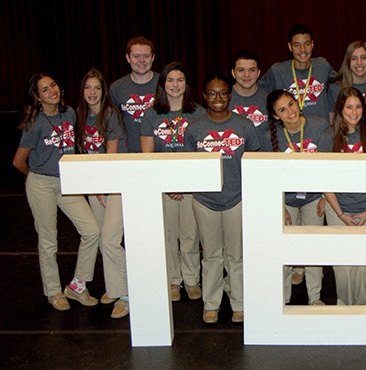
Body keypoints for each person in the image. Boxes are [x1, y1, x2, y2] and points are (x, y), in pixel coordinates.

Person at [13, 73, 101, 311]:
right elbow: (18, 161)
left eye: (53, 84)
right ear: (37, 97)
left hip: (68, 183)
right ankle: (53, 291)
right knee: (49, 240)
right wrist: (37, 175)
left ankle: (77, 285)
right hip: (41, 184)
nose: (52, 90)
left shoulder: (70, 114)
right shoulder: (35, 123)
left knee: (92, 230)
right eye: (44, 89)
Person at [185, 74, 260, 324]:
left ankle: (239, 302)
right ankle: (211, 304)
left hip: (236, 199)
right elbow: (188, 166)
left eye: (223, 93)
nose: (218, 98)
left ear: (230, 95)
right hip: (205, 201)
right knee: (212, 255)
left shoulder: (245, 126)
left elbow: (253, 164)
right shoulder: (194, 128)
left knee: (236, 255)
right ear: (204, 96)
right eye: (212, 93)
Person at [140, 62, 205, 302]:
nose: (175, 85)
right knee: (167, 235)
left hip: (189, 186)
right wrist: (166, 184)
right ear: (162, 84)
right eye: (170, 80)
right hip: (162, 187)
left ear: (186, 84)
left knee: (190, 235)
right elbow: (147, 155)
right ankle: (172, 281)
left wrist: (184, 185)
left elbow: (202, 153)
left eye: (180, 80)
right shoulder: (151, 114)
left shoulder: (197, 113)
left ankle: (191, 279)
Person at [262, 90, 332, 305]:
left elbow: (330, 163)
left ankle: (315, 297)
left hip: (314, 197)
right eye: (282, 109)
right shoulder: (269, 138)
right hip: (286, 200)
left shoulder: (319, 126)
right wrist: (278, 205)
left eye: (291, 104)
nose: (290, 111)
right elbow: (268, 175)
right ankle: (282, 300)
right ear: (275, 116)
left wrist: (324, 196)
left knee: (313, 247)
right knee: (283, 249)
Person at [323, 87, 366, 305]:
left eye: (358, 106)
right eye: (349, 106)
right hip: (337, 207)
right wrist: (340, 214)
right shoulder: (327, 136)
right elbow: (324, 180)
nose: (354, 111)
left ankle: (361, 303)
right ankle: (344, 303)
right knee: (342, 262)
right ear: (340, 109)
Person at [74, 68, 130, 318]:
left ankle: (126, 294)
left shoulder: (110, 115)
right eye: (88, 88)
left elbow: (111, 155)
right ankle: (114, 286)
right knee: (101, 238)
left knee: (110, 239)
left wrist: (105, 187)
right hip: (95, 186)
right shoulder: (80, 115)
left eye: (97, 88)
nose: (92, 92)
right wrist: (94, 186)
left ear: (104, 91)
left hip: (115, 184)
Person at [259, 24, 336, 123]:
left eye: (307, 44)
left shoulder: (322, 65)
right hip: (290, 132)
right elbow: (257, 92)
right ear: (290, 47)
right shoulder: (277, 71)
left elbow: (341, 82)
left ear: (312, 44)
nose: (302, 49)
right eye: (297, 45)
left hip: (320, 133)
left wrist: (332, 110)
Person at [110, 36, 159, 153]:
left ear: (153, 58)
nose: (141, 60)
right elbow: (111, 126)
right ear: (128, 58)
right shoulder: (116, 88)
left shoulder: (165, 84)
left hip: (159, 154)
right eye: (136, 56)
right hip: (128, 154)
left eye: (146, 56)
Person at [328, 41, 366, 128]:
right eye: (354, 58)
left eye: (363, 57)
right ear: (348, 62)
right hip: (347, 140)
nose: (359, 62)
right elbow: (332, 122)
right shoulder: (335, 89)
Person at [229, 50, 269, 129]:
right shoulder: (223, 98)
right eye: (241, 70)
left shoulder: (269, 99)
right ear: (233, 73)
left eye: (252, 70)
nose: (247, 75)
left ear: (258, 73)